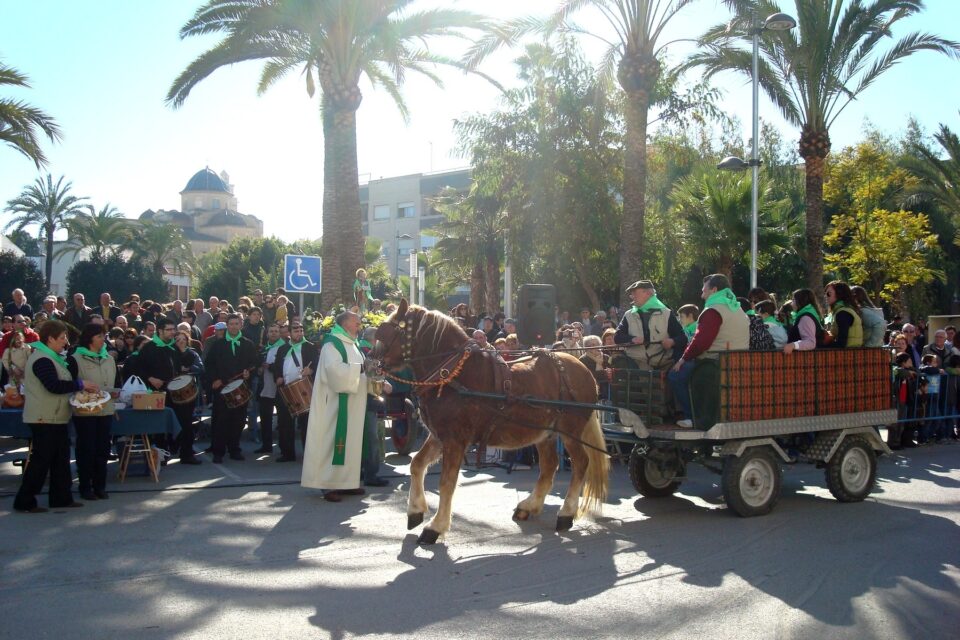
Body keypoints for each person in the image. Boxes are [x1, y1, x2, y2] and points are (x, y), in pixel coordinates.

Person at [13, 319, 99, 512]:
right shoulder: (42, 359)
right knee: (41, 461)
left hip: (56, 417)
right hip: (43, 418)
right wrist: (80, 385)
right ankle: (24, 501)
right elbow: (53, 386)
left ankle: (61, 497)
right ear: (50, 339)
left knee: (61, 459)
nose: (65, 341)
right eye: (61, 338)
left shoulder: (52, 357)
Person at [302, 311, 368, 502]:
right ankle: (327, 485)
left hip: (353, 403)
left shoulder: (353, 343)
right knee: (331, 441)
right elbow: (336, 373)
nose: (359, 326)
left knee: (351, 443)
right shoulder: (332, 344)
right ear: (346, 323)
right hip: (334, 403)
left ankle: (346, 483)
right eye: (357, 323)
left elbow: (360, 370)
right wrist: (362, 369)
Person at [669, 274, 748, 427]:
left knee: (675, 375)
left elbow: (701, 343)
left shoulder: (713, 310)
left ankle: (692, 417)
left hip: (714, 363)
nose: (702, 294)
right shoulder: (737, 308)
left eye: (704, 290)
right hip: (736, 361)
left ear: (714, 290)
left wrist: (682, 359)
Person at [139, 318, 203, 464]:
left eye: (173, 329)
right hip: (158, 392)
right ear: (160, 331)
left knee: (186, 423)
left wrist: (183, 354)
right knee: (161, 425)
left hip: (178, 392)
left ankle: (186, 454)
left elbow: (187, 365)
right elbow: (138, 368)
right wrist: (150, 378)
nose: (172, 332)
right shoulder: (149, 348)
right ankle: (162, 456)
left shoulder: (174, 347)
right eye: (169, 330)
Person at [67, 323, 118, 500]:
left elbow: (115, 382)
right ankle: (85, 486)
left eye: (104, 336)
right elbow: (70, 383)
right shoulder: (75, 358)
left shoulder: (109, 359)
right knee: (86, 449)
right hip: (85, 412)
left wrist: (114, 394)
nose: (103, 339)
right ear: (90, 339)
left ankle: (100, 486)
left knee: (102, 450)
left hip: (106, 411)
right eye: (99, 336)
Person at [205, 313, 258, 463]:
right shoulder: (218, 345)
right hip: (222, 388)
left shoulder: (248, 344)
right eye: (231, 324)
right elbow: (209, 365)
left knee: (239, 420)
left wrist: (249, 372)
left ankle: (234, 449)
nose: (234, 326)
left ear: (241, 325)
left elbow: (254, 363)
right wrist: (215, 379)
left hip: (241, 389)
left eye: (236, 324)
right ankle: (218, 451)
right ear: (227, 326)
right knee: (221, 421)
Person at [613, 280, 687, 371]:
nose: (631, 296)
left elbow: (682, 337)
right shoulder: (628, 315)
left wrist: (672, 341)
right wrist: (632, 339)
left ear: (648, 293)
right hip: (635, 364)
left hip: (663, 364)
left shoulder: (666, 313)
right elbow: (617, 337)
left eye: (634, 293)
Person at [273, 322, 319, 461]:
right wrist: (278, 377)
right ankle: (287, 453)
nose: (299, 333)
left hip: (304, 388)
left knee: (306, 423)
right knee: (285, 423)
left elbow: (317, 364)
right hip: (286, 389)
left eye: (301, 330)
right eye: (296, 331)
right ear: (289, 333)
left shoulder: (309, 347)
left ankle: (309, 453)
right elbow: (276, 366)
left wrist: (310, 370)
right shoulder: (282, 348)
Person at [257, 323, 285, 456]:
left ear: (280, 333)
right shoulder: (263, 349)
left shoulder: (284, 348)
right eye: (271, 331)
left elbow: (285, 367)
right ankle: (266, 445)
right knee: (265, 419)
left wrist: (271, 367)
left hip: (280, 389)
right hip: (265, 389)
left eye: (276, 331)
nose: (273, 333)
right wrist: (260, 368)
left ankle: (284, 448)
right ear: (267, 334)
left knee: (282, 420)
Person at [784, 289, 826, 354]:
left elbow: (811, 342)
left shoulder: (805, 318)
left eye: (793, 300)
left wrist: (793, 345)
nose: (791, 304)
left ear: (800, 301)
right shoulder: (808, 315)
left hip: (807, 360)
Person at [824, 280, 863, 348]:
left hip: (847, 354)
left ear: (839, 294)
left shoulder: (843, 313)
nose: (825, 296)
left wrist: (822, 345)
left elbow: (841, 343)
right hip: (851, 352)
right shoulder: (846, 310)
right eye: (825, 293)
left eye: (829, 293)